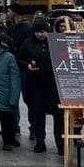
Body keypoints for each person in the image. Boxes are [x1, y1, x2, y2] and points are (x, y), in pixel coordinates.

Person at [17, 20, 64, 154]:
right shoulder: (28, 43)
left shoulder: (56, 41)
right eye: (37, 32)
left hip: (54, 83)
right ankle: (40, 141)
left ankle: (60, 143)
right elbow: (19, 58)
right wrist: (27, 65)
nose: (40, 35)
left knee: (58, 115)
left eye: (43, 32)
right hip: (35, 83)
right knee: (37, 113)